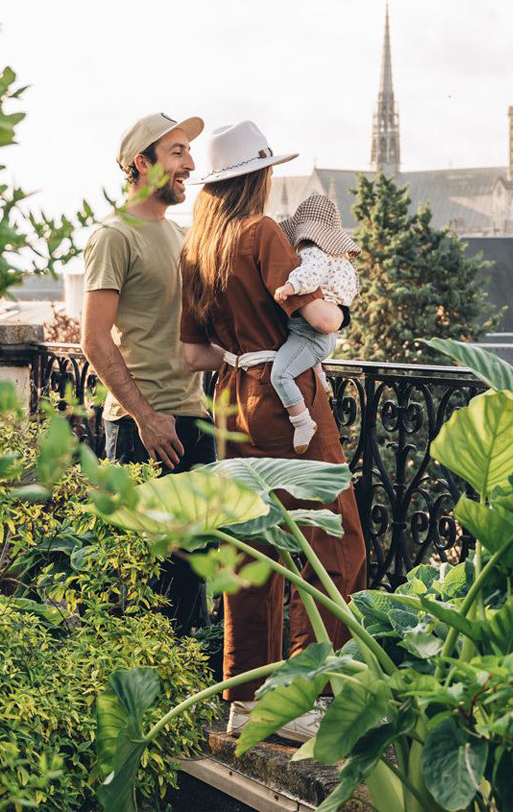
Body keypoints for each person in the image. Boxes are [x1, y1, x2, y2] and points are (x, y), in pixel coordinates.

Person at [176, 121, 368, 743]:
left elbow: (192, 356)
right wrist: (335, 310)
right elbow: (317, 313)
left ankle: (244, 696)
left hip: (231, 401)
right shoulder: (261, 233)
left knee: (250, 553)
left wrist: (242, 350)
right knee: (332, 544)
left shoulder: (196, 248)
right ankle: (304, 701)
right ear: (257, 178)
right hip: (287, 411)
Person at [80, 111, 215, 636]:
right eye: (177, 152)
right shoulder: (115, 236)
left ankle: (193, 702)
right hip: (146, 428)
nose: (190, 163)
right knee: (149, 581)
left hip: (193, 420)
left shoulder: (180, 236)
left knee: (193, 572)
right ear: (143, 163)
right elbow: (93, 339)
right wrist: (146, 416)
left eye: (188, 152)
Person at [269, 193, 361, 453]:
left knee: (281, 374)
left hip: (310, 334)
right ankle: (322, 381)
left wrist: (289, 286)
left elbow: (310, 273)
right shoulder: (340, 260)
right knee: (310, 357)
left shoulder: (313, 253)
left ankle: (302, 421)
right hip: (324, 337)